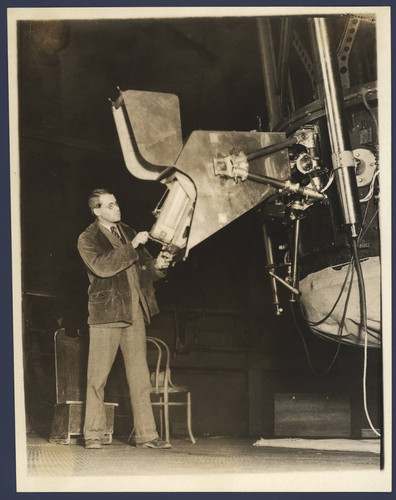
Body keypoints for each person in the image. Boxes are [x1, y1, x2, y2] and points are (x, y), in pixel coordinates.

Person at [77, 188, 173, 450]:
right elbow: (102, 267)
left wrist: (159, 266)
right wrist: (132, 246)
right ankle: (93, 435)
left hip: (134, 314)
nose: (116, 208)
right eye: (109, 206)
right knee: (97, 379)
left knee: (140, 377)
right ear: (96, 211)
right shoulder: (88, 238)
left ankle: (147, 435)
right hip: (106, 317)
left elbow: (144, 271)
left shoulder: (127, 231)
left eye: (116, 203)